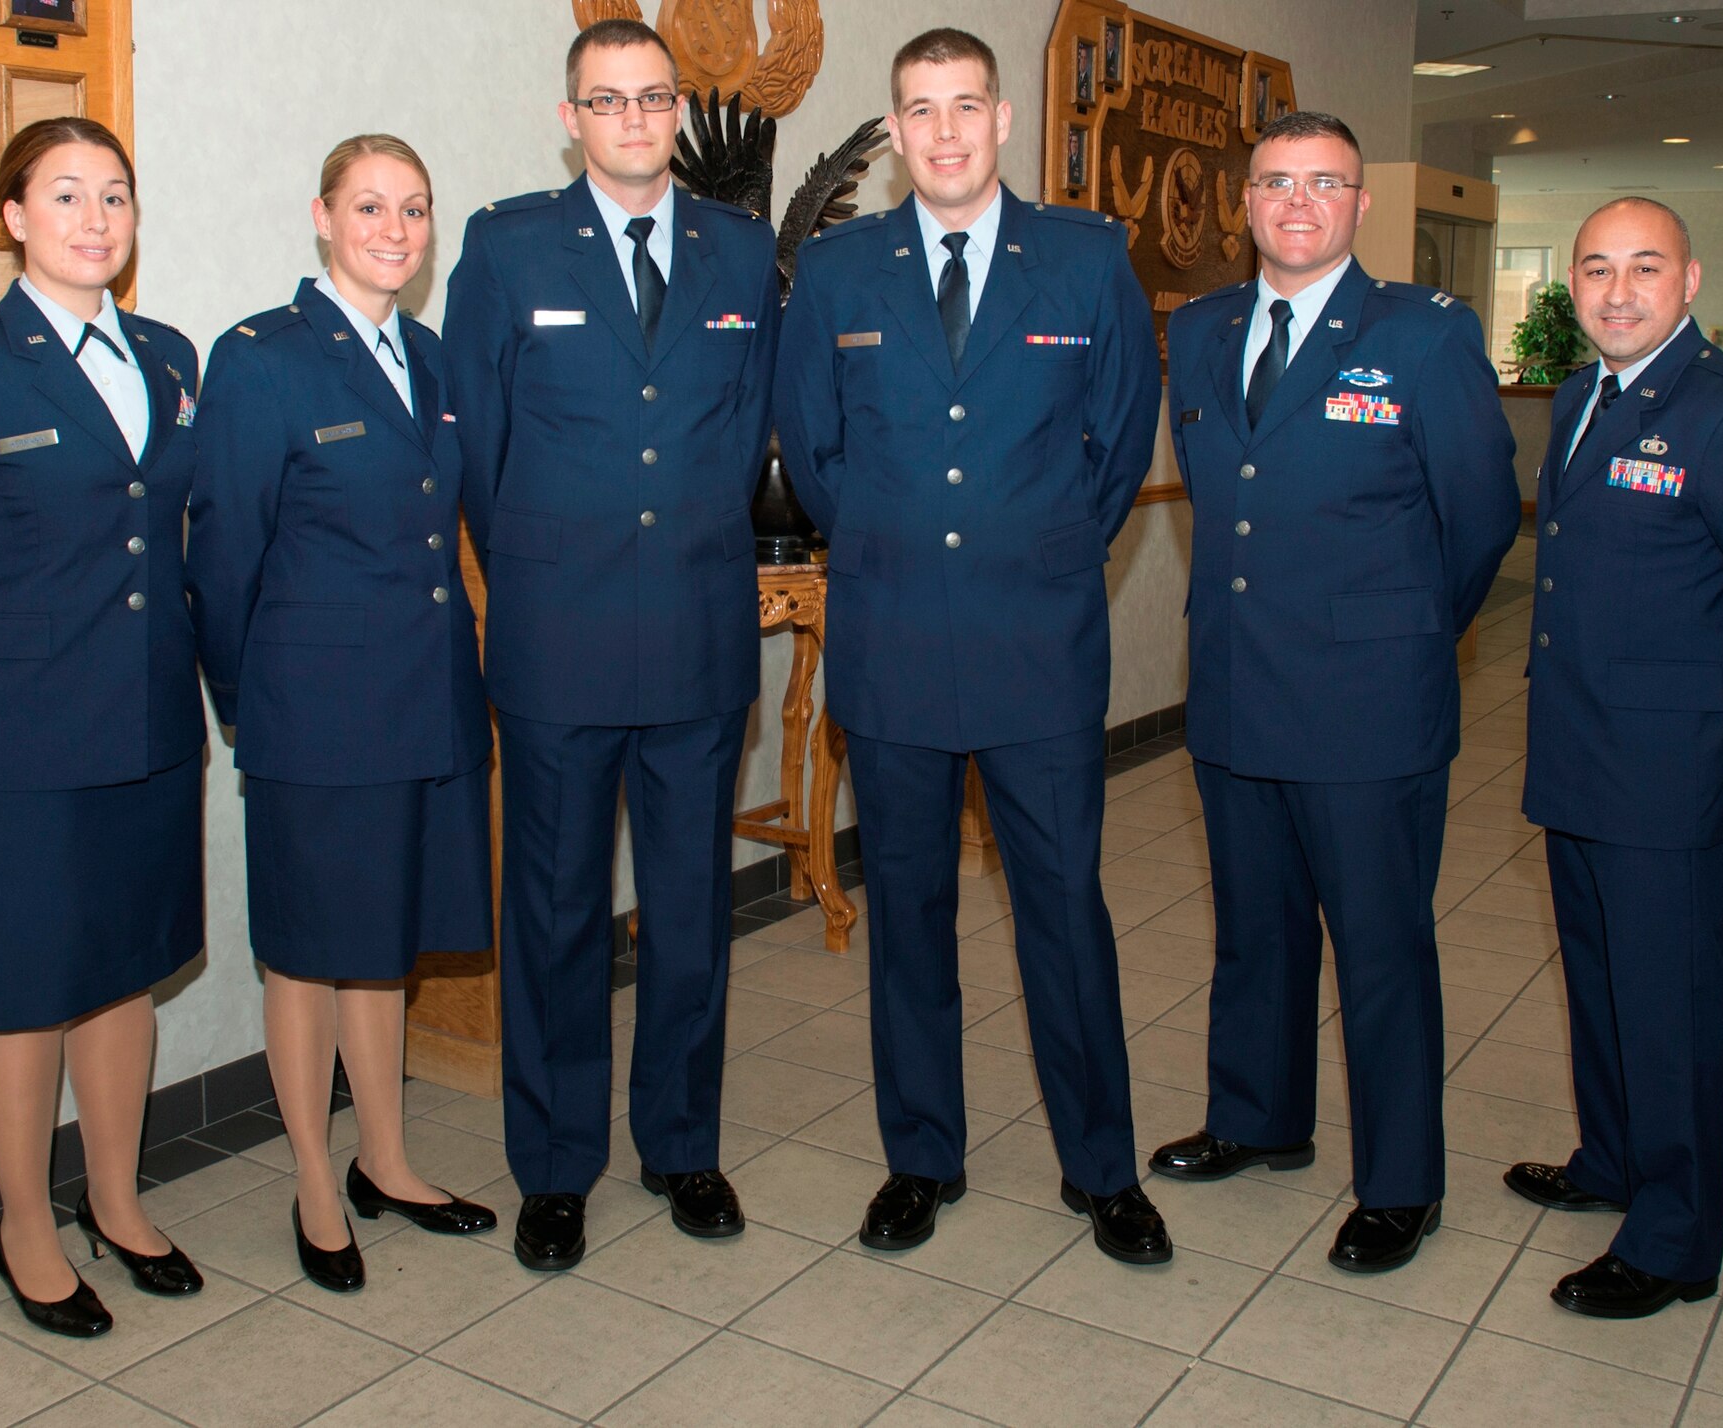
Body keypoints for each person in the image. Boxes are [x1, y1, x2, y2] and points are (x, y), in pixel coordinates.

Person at [774, 27, 1170, 1265]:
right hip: (892, 645)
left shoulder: (1085, 260)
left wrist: (1032, 548)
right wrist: (899, 542)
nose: (942, 132)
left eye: (963, 107)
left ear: (999, 120)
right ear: (893, 135)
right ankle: (919, 1159)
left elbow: (1116, 447)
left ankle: (1100, 1168)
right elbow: (811, 446)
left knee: (1063, 913)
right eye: (917, 111)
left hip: (1038, 648)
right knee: (911, 917)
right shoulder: (840, 272)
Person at [1149, 111, 1518, 1273]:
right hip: (1234, 691)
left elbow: (1480, 517)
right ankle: (1258, 1119)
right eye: (1273, 183)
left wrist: (1405, 639)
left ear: (1361, 204)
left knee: (1377, 948)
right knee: (1252, 935)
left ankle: (1400, 1182)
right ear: (1243, 204)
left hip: (1368, 706)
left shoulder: (1419, 335)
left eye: (1323, 184)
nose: (1296, 203)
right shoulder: (1202, 329)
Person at [442, 18, 780, 1273]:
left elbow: (747, 432)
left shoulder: (742, 254)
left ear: (678, 110)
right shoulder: (507, 243)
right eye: (607, 101)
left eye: (652, 99)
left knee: (691, 912)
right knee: (554, 913)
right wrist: (544, 564)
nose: (632, 120)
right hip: (556, 638)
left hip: (696, 638)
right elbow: (478, 446)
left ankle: (680, 1144)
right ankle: (553, 1164)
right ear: (570, 116)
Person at [0, 117, 208, 1337]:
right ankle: (22, 1226)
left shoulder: (167, 354)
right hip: (16, 741)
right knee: (21, 993)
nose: (95, 218)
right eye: (66, 195)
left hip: (152, 724)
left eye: (114, 193)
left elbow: (175, 537)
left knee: (124, 977)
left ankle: (116, 1203)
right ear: (13, 217)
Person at [1509, 197, 1723, 1318]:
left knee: (1671, 1007)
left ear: (1687, 283)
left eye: (1641, 268)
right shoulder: (1577, 395)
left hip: (1668, 772)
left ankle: (1671, 1238)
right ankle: (1610, 1160)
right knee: (1602, 984)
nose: (1615, 292)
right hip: (1576, 750)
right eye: (1595, 269)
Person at [185, 134, 497, 1295]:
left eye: (413, 209)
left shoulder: (427, 354)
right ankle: (316, 1180)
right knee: (310, 956)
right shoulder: (263, 358)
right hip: (313, 712)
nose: (394, 230)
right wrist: (248, 704)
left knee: (385, 945)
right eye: (369, 206)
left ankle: (390, 1159)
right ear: (322, 217)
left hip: (425, 698)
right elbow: (221, 560)